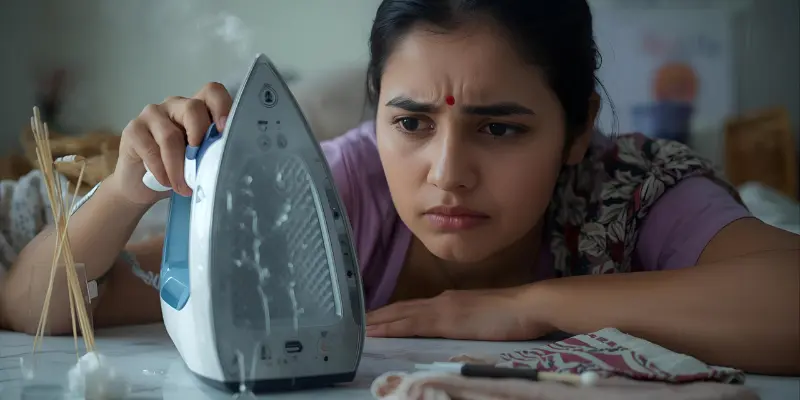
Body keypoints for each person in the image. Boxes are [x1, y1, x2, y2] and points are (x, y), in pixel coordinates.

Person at [1, 0, 798, 376]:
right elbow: (38, 307)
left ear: (580, 126)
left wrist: (527, 306)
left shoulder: (634, 189)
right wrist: (129, 188)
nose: (447, 173)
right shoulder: (335, 190)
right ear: (373, 111)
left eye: (501, 128)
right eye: (411, 124)